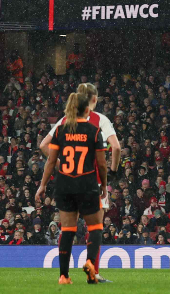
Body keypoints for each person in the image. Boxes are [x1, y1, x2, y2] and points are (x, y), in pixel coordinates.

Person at [35, 87, 108, 285]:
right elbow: (101, 164)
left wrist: (42, 185)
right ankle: (91, 268)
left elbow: (50, 161)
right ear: (87, 110)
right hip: (87, 184)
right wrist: (104, 185)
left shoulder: (61, 130)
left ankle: (64, 276)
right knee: (95, 227)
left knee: (67, 230)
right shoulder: (94, 132)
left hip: (64, 185)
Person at [39, 83, 122, 215]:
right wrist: (113, 171)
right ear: (94, 99)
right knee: (96, 227)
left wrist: (62, 165)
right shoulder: (100, 119)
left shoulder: (65, 120)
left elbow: (43, 145)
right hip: (93, 180)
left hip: (70, 180)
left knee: (71, 225)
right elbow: (117, 147)